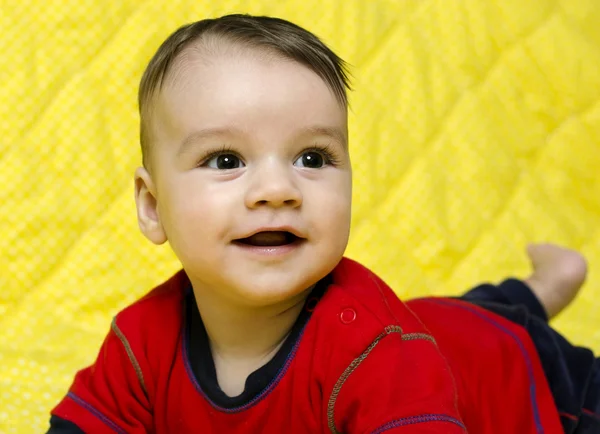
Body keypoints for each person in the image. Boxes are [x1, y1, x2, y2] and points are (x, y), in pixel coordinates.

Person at [46, 14, 599, 433]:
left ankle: (540, 294)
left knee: (483, 328)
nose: (277, 190)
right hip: (439, 326)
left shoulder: (375, 352)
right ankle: (541, 287)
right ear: (151, 205)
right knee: (452, 315)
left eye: (312, 158)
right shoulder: (142, 340)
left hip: (529, 371)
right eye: (225, 160)